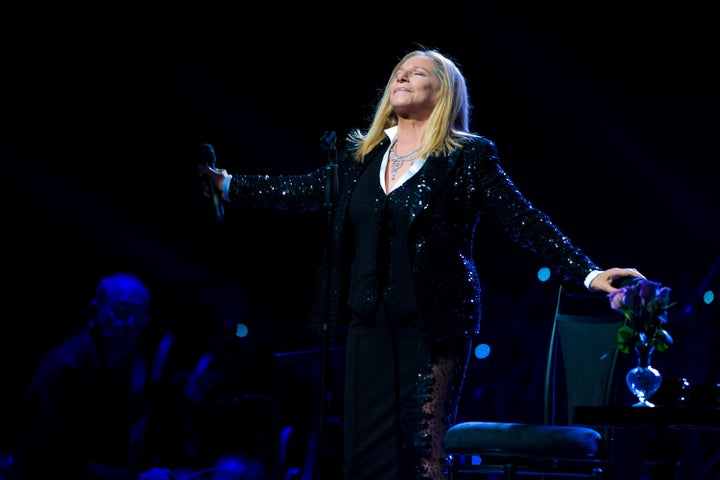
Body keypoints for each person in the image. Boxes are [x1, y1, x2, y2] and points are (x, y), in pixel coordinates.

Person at [197, 48, 646, 480]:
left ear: (445, 92)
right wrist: (230, 185)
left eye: (418, 73)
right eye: (399, 71)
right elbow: (302, 190)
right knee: (365, 453)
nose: (402, 76)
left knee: (421, 447)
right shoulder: (361, 157)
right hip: (368, 318)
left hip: (434, 320)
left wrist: (588, 272)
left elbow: (522, 219)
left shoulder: (468, 155)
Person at [12, 272, 176, 480]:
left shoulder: (113, 364)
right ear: (95, 311)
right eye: (122, 312)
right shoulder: (66, 369)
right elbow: (52, 463)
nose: (131, 324)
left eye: (140, 316)